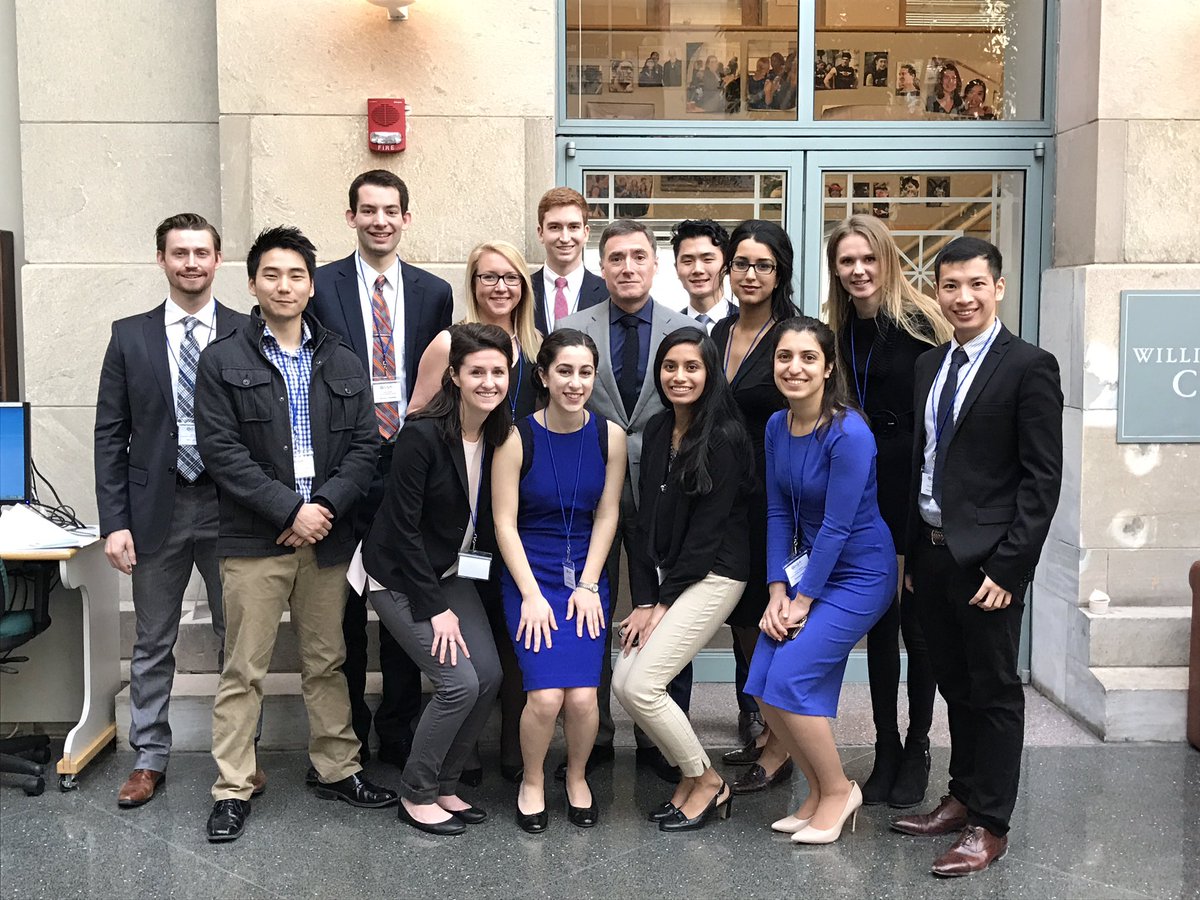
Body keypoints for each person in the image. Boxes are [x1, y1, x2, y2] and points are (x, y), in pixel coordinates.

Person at [196, 226, 395, 843]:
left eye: (296, 275)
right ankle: (232, 786)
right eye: (272, 275)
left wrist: (324, 507)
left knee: (327, 660)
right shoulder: (222, 358)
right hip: (257, 539)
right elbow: (222, 453)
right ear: (253, 282)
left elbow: (366, 444)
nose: (285, 286)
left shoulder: (341, 359)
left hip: (328, 536)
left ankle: (337, 768)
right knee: (243, 668)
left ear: (311, 284)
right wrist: (290, 510)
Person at [891, 238, 1062, 877]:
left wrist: (1010, 568)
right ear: (937, 291)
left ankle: (991, 823)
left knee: (993, 692)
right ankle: (962, 796)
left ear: (998, 287)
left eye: (975, 285)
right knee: (953, 684)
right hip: (932, 553)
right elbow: (921, 465)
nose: (962, 297)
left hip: (988, 562)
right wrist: (909, 549)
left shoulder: (1029, 366)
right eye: (951, 286)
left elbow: (1042, 480)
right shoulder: (929, 365)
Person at [94, 213, 253, 810]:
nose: (191, 263)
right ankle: (150, 757)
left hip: (229, 507)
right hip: (155, 507)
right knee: (153, 639)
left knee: (235, 636)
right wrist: (115, 522)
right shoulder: (129, 335)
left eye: (201, 252)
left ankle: (241, 756)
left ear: (218, 260)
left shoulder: (247, 330)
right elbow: (110, 434)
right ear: (160, 259)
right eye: (179, 253)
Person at [310, 169, 454, 773]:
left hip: (407, 465)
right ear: (351, 218)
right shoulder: (318, 286)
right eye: (368, 210)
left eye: (391, 210)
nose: (380, 221)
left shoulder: (433, 292)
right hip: (342, 466)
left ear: (407, 218)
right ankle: (348, 733)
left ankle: (399, 726)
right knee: (339, 608)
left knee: (401, 597)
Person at [355, 323, 513, 836]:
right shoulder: (421, 434)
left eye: (498, 371)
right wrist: (435, 608)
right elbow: (400, 530)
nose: (489, 381)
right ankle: (415, 792)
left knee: (488, 676)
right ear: (454, 377)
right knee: (456, 683)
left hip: (448, 569)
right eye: (477, 372)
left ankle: (446, 783)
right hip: (399, 576)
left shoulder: (496, 434)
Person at [746, 315, 897, 845]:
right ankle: (814, 792)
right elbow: (776, 513)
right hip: (808, 572)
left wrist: (804, 598)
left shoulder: (849, 432)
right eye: (785, 357)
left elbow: (836, 525)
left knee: (788, 677)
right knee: (763, 683)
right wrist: (775, 592)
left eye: (809, 358)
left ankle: (838, 791)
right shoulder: (775, 426)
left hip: (858, 573)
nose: (795, 367)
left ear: (828, 366)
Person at [556, 219, 695, 782]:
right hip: (590, 496)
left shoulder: (684, 330)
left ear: (654, 265)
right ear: (602, 265)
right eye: (616, 258)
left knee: (663, 613)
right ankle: (597, 735)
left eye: (638, 257)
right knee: (590, 611)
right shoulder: (572, 326)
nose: (627, 267)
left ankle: (664, 740)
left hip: (665, 498)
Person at [824, 214, 954, 809]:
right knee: (878, 624)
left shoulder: (926, 323)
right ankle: (886, 746)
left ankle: (921, 744)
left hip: (916, 486)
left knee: (917, 627)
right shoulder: (837, 330)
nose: (857, 271)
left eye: (867, 259)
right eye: (846, 262)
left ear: (886, 260)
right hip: (864, 489)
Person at [409, 240, 544, 782]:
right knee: (463, 643)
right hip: (456, 516)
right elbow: (420, 413)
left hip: (510, 512)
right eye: (488, 276)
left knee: (506, 639)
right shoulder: (451, 342)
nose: (500, 287)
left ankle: (510, 748)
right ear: (472, 282)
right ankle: (454, 760)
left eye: (511, 277)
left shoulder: (533, 344)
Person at [613, 326, 752, 832]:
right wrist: (647, 597)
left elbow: (707, 536)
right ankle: (693, 779)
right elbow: (647, 517)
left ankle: (707, 780)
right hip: (670, 577)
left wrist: (663, 605)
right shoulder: (654, 430)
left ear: (710, 373)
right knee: (625, 682)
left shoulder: (725, 437)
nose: (679, 376)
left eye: (692, 367)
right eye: (670, 367)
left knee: (645, 684)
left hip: (716, 573)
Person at [493, 329, 627, 832]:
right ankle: (532, 779)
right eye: (564, 371)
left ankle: (575, 775)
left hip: (585, 576)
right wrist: (530, 594)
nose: (575, 382)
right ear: (544, 377)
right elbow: (504, 522)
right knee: (546, 696)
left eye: (585, 372)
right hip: (529, 573)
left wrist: (590, 584)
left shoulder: (608, 436)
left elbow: (607, 515)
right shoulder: (514, 435)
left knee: (584, 696)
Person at [710, 221, 796, 791]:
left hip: (779, 497)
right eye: (741, 263)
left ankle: (780, 744)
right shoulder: (718, 332)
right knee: (744, 619)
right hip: (726, 498)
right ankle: (759, 725)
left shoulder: (793, 333)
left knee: (776, 618)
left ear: (779, 271)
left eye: (763, 265)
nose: (750, 275)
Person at [530, 187, 608, 335]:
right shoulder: (522, 291)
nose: (565, 238)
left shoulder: (608, 293)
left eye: (573, 227)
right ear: (541, 233)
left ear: (585, 233)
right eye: (555, 227)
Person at [671, 219, 734, 332]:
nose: (697, 270)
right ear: (676, 269)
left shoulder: (747, 322)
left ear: (726, 265)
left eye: (707, 259)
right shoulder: (669, 328)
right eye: (688, 261)